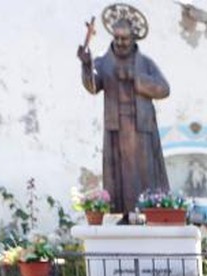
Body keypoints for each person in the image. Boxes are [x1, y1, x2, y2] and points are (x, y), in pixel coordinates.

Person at [78, 14, 171, 218]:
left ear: (133, 38)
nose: (120, 42)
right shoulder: (103, 62)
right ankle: (125, 216)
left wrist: (137, 79)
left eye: (125, 38)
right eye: (117, 37)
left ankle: (148, 213)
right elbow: (93, 86)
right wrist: (86, 65)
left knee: (144, 173)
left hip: (141, 127)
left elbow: (164, 89)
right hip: (116, 127)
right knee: (120, 175)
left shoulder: (145, 63)